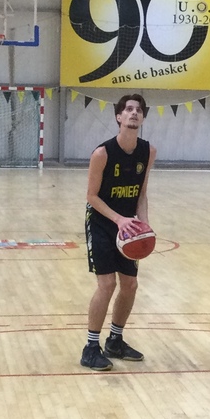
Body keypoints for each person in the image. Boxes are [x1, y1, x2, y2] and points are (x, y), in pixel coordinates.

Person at [80, 94, 156, 372]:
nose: (134, 113)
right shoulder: (102, 154)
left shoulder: (148, 152)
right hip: (102, 221)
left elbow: (141, 194)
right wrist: (119, 219)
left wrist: (144, 225)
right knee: (107, 284)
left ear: (142, 118)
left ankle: (115, 341)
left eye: (139, 110)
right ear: (118, 117)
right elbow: (91, 196)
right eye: (128, 109)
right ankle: (90, 348)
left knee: (130, 285)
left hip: (128, 226)